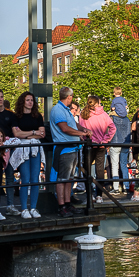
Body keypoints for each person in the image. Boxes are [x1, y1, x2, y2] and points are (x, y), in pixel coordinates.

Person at [50, 87, 92, 217]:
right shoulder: (58, 110)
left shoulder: (65, 110)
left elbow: (73, 124)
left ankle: (67, 203)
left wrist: (83, 129)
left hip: (72, 148)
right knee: (62, 178)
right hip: (64, 149)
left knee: (69, 179)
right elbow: (64, 128)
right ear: (69, 97)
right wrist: (81, 133)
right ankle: (62, 206)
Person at [10, 92, 46, 217]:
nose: (30, 102)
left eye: (32, 100)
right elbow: (16, 134)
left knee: (35, 178)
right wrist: (33, 132)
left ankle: (34, 208)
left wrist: (26, 133)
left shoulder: (38, 116)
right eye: (27, 100)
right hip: (23, 148)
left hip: (35, 147)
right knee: (24, 178)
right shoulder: (16, 117)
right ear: (22, 102)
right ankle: (24, 208)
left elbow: (42, 134)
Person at [79, 95, 116, 202]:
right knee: (100, 170)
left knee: (87, 170)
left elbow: (82, 130)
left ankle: (89, 194)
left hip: (89, 144)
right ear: (97, 103)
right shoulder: (104, 114)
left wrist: (84, 138)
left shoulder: (84, 114)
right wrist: (106, 139)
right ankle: (99, 195)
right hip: (101, 145)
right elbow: (113, 127)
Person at [109, 87, 132, 194]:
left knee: (115, 165)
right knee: (124, 164)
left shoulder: (112, 118)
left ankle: (116, 187)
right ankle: (126, 186)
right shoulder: (127, 119)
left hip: (115, 142)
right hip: (125, 143)